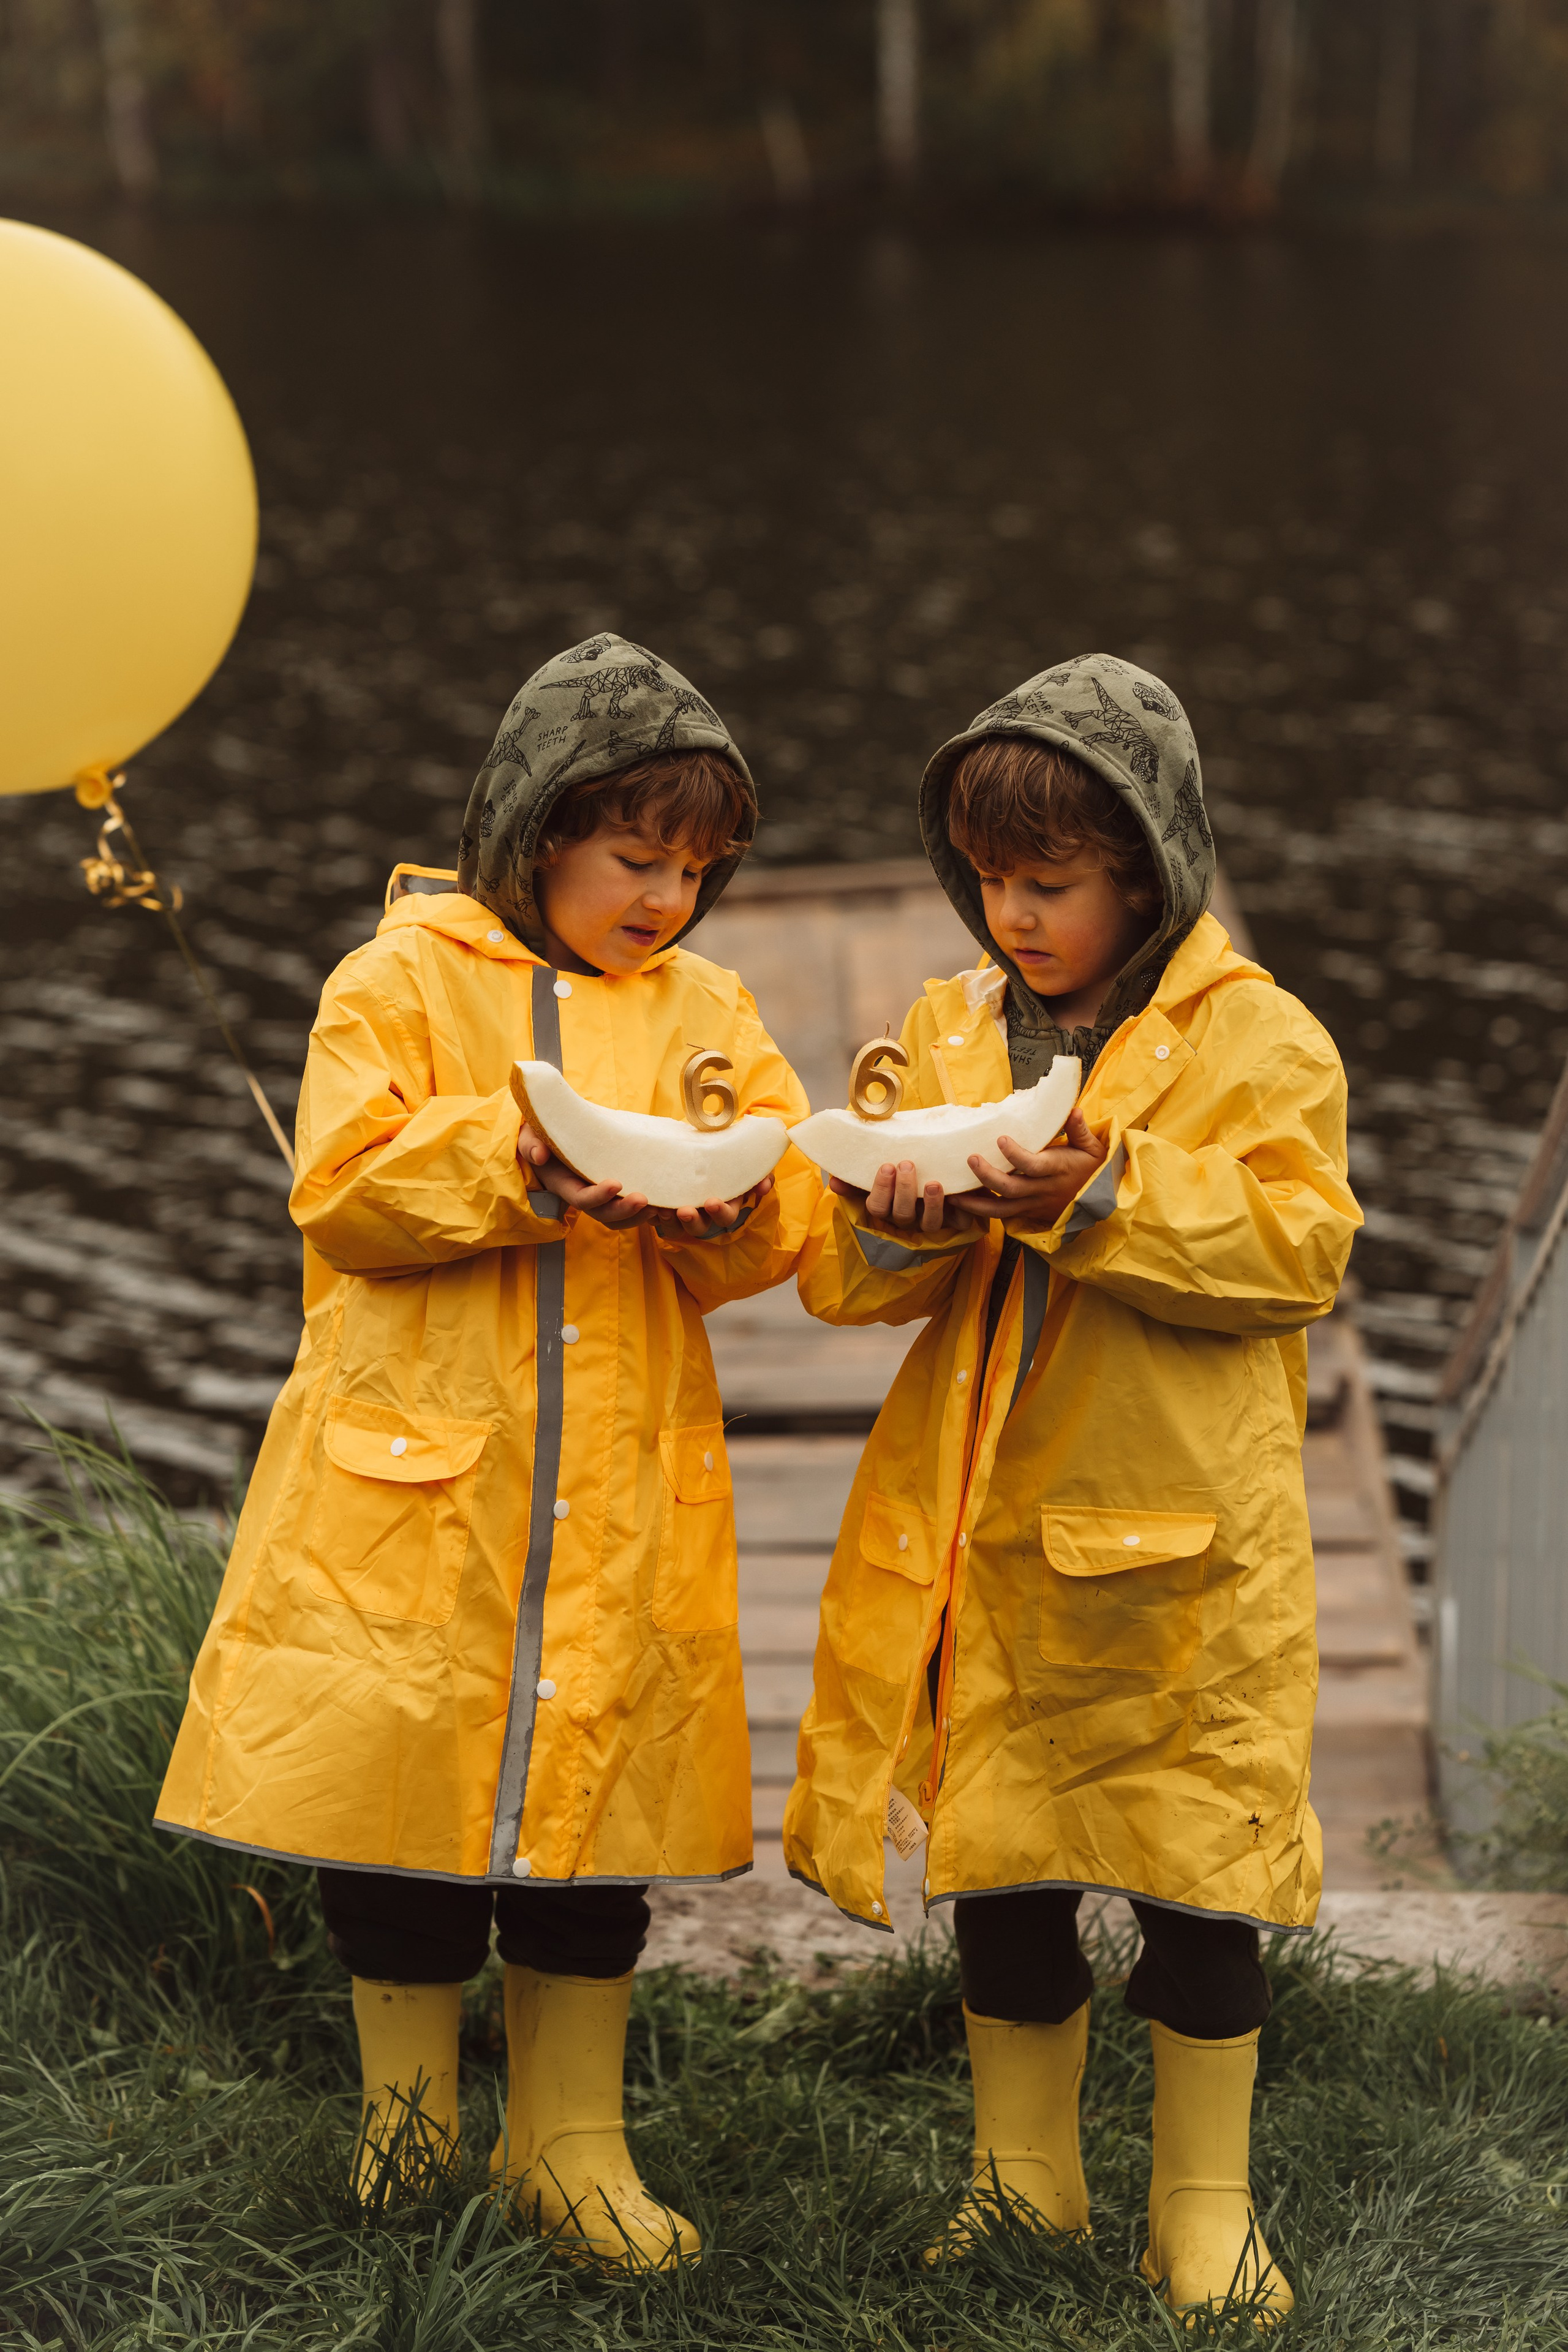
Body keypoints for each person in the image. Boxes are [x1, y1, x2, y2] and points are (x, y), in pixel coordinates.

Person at [157, 635, 815, 2265]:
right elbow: (345, 1187)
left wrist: (745, 1205)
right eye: (634, 860)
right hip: (420, 1487)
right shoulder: (397, 981)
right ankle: (407, 2131)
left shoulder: (708, 1012)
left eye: (695, 870)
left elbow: (776, 1217)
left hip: (621, 1496)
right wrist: (514, 1160)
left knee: (596, 1830)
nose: (664, 898)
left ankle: (569, 2142)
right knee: (408, 1821)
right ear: (535, 834)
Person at [785, 654, 1360, 2324]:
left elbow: (1300, 1250)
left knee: (1197, 1878)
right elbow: (845, 1279)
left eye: (1049, 886)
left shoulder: (1260, 1039)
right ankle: (1022, 2187)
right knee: (1005, 1866)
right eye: (987, 881)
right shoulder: (953, 1027)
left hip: (1183, 1557)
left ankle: (1206, 2207)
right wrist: (898, 1213)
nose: (1007, 914)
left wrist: (1106, 1194)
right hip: (987, 1543)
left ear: (1148, 873)